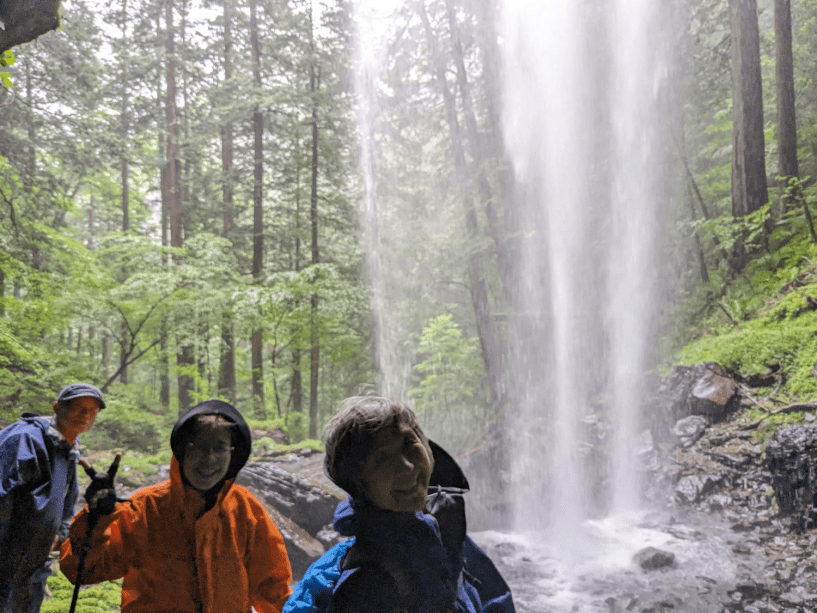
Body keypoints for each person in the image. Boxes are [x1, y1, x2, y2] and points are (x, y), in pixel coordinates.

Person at [283, 395, 515, 613]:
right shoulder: (363, 582)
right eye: (382, 459)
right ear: (358, 484)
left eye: (408, 443)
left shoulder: (443, 527)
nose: (407, 466)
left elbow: (494, 599)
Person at [59, 399, 293, 613]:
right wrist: (96, 518)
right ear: (183, 449)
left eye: (220, 447)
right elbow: (82, 571)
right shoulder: (145, 508)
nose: (210, 458)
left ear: (233, 454)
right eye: (200, 445)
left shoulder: (245, 509)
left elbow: (273, 589)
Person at [0, 382, 105, 612]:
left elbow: (63, 501)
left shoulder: (68, 444)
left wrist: (60, 534)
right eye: (77, 407)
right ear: (57, 407)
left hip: (33, 567)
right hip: (6, 565)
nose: (85, 415)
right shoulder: (24, 440)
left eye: (92, 410)